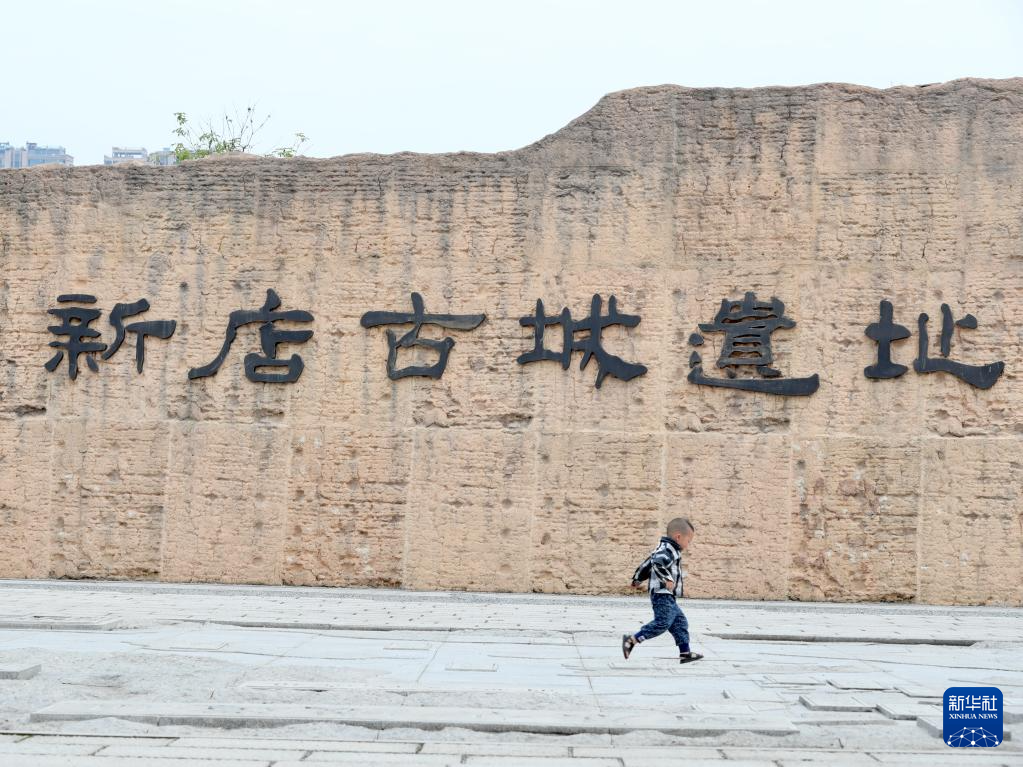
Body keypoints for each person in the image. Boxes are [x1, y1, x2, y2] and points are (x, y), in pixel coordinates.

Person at [622, 517, 703, 664]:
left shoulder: (665, 549)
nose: (689, 544)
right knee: (662, 623)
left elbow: (647, 564)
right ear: (678, 537)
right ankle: (632, 640)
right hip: (662, 594)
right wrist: (667, 578)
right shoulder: (667, 550)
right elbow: (658, 563)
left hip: (668, 595)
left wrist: (637, 580)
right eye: (688, 540)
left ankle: (685, 653)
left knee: (680, 622)